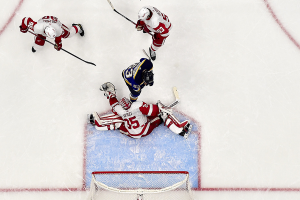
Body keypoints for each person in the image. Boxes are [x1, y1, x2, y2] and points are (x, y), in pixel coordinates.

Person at [88, 82, 192, 139]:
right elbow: (154, 111)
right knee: (163, 116)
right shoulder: (137, 105)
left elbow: (114, 103)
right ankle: (181, 130)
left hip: (130, 133)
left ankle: (97, 123)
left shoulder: (120, 110)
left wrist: (111, 93)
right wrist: (161, 108)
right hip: (144, 130)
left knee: (118, 122)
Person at [19, 16, 84, 52]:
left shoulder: (58, 30)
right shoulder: (37, 27)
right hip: (43, 25)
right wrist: (24, 28)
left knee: (69, 34)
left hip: (55, 23)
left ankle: (78, 27)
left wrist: (58, 45)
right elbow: (25, 20)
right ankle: (36, 45)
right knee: (38, 46)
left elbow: (58, 41)